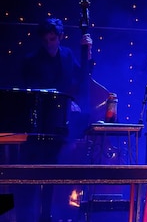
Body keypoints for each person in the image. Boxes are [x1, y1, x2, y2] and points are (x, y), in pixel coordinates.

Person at [15, 18, 93, 222]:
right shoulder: (32, 60)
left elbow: (81, 78)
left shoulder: (67, 55)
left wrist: (87, 53)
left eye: (52, 39)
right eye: (46, 40)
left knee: (55, 172)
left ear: (60, 37)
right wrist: (62, 100)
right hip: (39, 125)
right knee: (33, 175)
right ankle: (28, 217)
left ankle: (51, 215)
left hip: (61, 126)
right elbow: (33, 92)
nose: (49, 44)